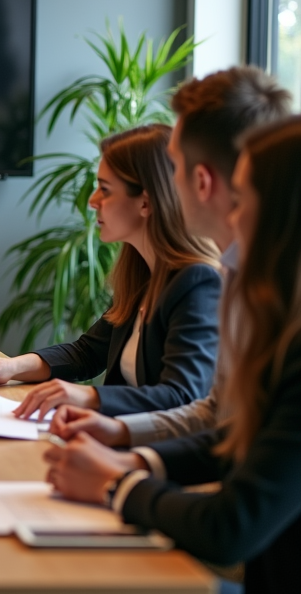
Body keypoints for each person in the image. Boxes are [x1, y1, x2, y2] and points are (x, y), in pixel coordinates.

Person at [44, 118, 301, 594]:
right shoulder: (280, 325)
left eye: (242, 199)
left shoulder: (211, 287)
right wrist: (130, 452)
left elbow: (231, 527)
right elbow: (229, 440)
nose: (228, 215)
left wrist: (117, 482)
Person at [50, 66, 292, 448]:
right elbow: (214, 416)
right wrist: (127, 450)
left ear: (202, 181)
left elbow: (245, 490)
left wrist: (126, 475)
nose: (168, 182)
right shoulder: (231, 278)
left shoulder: (213, 283)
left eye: (174, 165)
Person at [0, 124, 221, 418]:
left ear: (146, 202)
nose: (92, 201)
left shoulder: (198, 282)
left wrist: (88, 396)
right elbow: (87, 354)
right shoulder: (140, 275)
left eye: (105, 190)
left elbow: (182, 395)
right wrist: (10, 367)